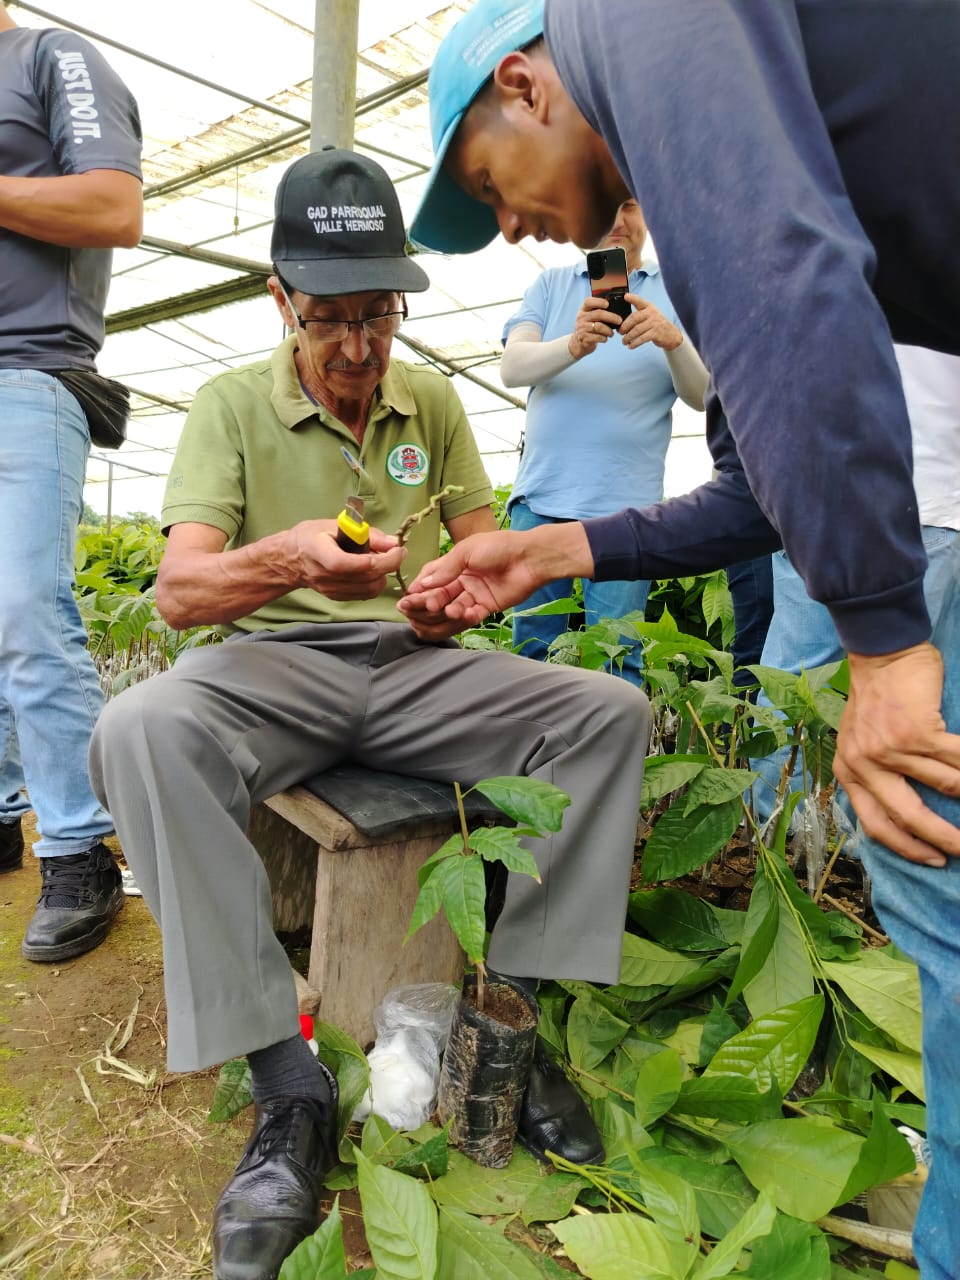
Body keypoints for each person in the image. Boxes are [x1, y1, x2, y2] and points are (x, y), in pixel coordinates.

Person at [403, 4, 960, 1275]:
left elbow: (788, 283)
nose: (509, 227)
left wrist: (885, 650)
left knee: (935, 881)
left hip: (933, 517)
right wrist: (552, 549)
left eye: (487, 186)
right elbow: (762, 484)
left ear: (523, 83)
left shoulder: (640, 18)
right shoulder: (724, 108)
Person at [88, 147, 651, 1280]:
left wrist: (464, 591)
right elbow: (182, 592)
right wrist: (287, 559)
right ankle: (284, 1082)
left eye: (378, 315)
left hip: (413, 659)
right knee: (140, 728)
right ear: (281, 299)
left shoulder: (428, 398)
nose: (357, 346)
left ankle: (510, 1023)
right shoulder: (230, 406)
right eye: (331, 319)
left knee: (607, 711)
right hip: (273, 661)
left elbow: (489, 542)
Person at [0, 5, 142, 957]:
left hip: (25, 371)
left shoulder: (51, 56)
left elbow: (112, 207)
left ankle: (80, 850)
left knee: (25, 608)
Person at [501, 197, 708, 684]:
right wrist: (574, 344)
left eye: (630, 206)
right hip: (542, 500)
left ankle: (606, 739)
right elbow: (512, 367)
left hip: (626, 511)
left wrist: (673, 340)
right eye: (606, 207)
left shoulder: (678, 291)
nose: (618, 221)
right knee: (529, 653)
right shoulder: (551, 285)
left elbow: (702, 397)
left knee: (618, 660)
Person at [755, 345, 960, 824]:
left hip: (816, 496)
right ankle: (873, 841)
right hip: (924, 498)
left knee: (795, 678)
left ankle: (775, 831)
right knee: (909, 695)